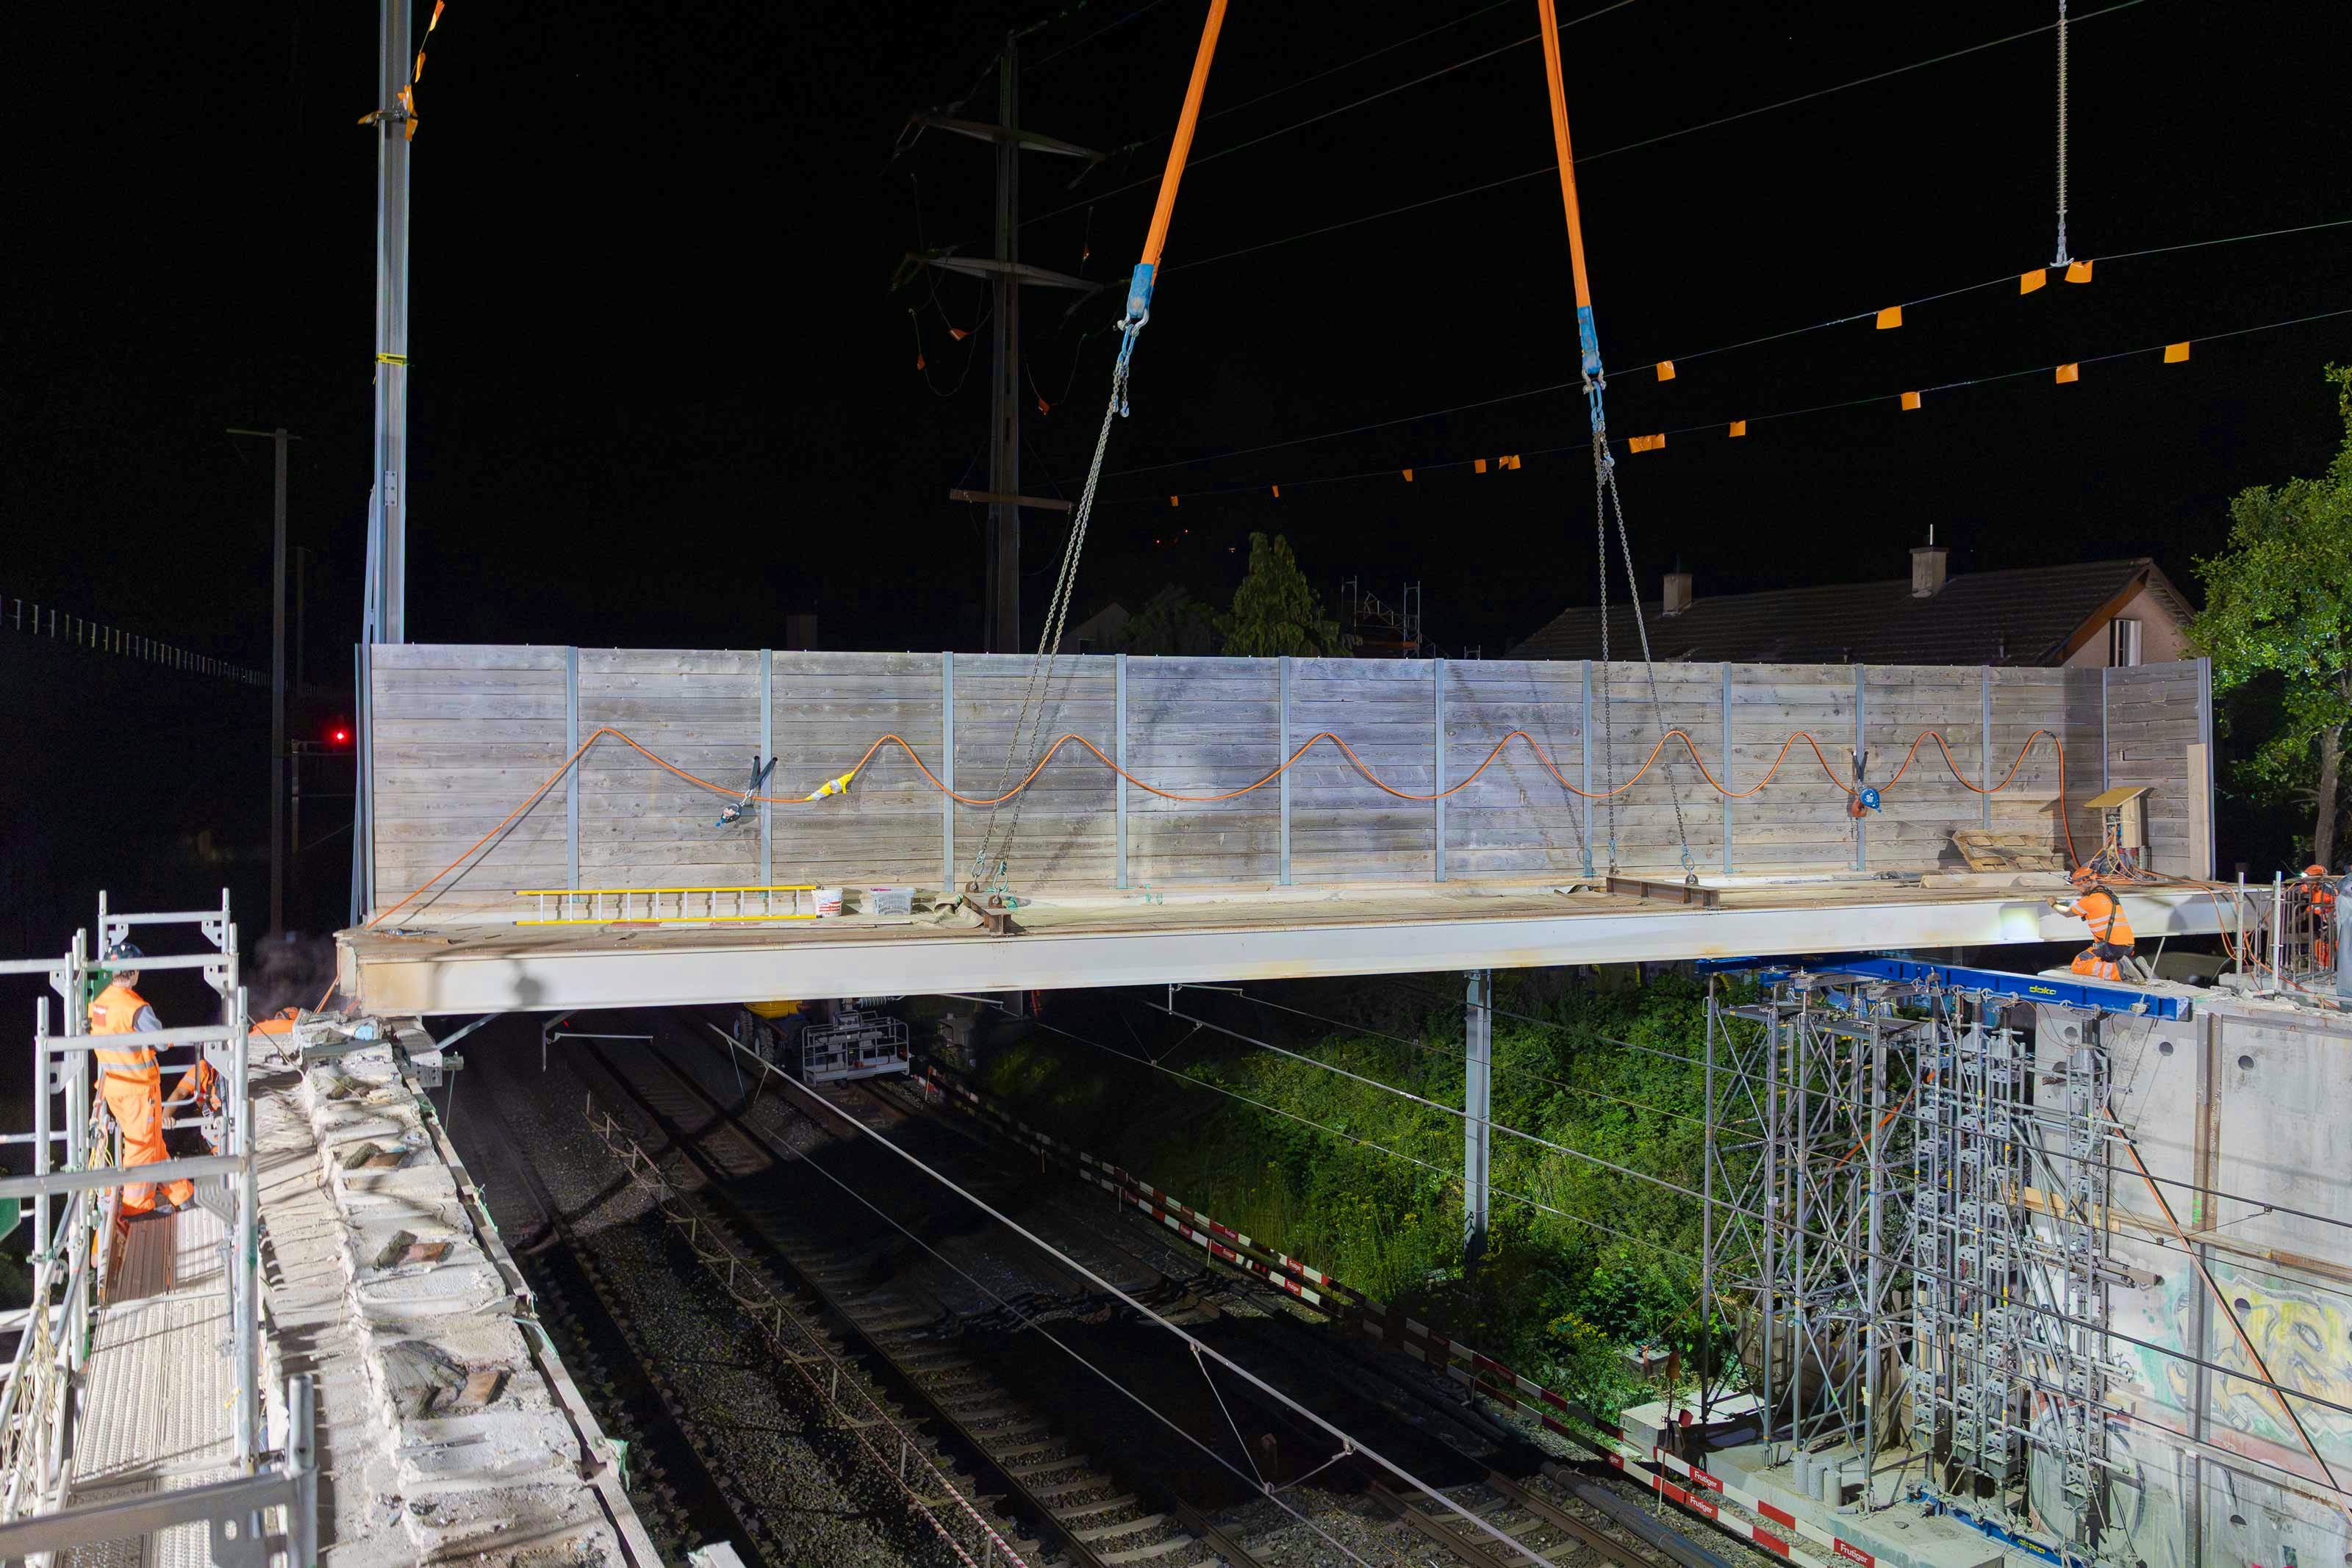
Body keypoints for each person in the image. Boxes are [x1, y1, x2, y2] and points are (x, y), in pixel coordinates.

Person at [88, 943, 195, 1215]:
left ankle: (183, 1194)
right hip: (138, 1091)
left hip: (113, 1088)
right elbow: (159, 1043)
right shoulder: (136, 1007)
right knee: (141, 1148)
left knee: (152, 1143)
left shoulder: (98, 1004)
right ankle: (136, 1209)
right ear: (133, 971)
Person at [2053, 871, 2137, 982]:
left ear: (2087, 883)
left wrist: (2053, 904)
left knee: (2079, 963)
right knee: (2093, 948)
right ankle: (2134, 967)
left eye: (2079, 886)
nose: (2078, 889)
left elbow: (2067, 913)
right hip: (2127, 945)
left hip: (2110, 945)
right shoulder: (2108, 894)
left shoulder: (2089, 901)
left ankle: (2120, 971)